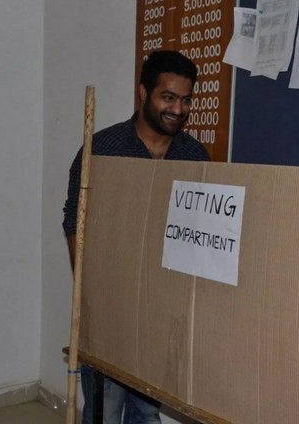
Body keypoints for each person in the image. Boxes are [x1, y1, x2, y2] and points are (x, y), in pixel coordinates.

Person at [62, 50, 210, 424]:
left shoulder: (194, 156)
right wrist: (89, 294)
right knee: (105, 410)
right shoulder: (103, 150)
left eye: (186, 99)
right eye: (168, 97)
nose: (178, 109)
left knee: (147, 411)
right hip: (110, 306)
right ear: (143, 94)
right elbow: (73, 223)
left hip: (161, 311)